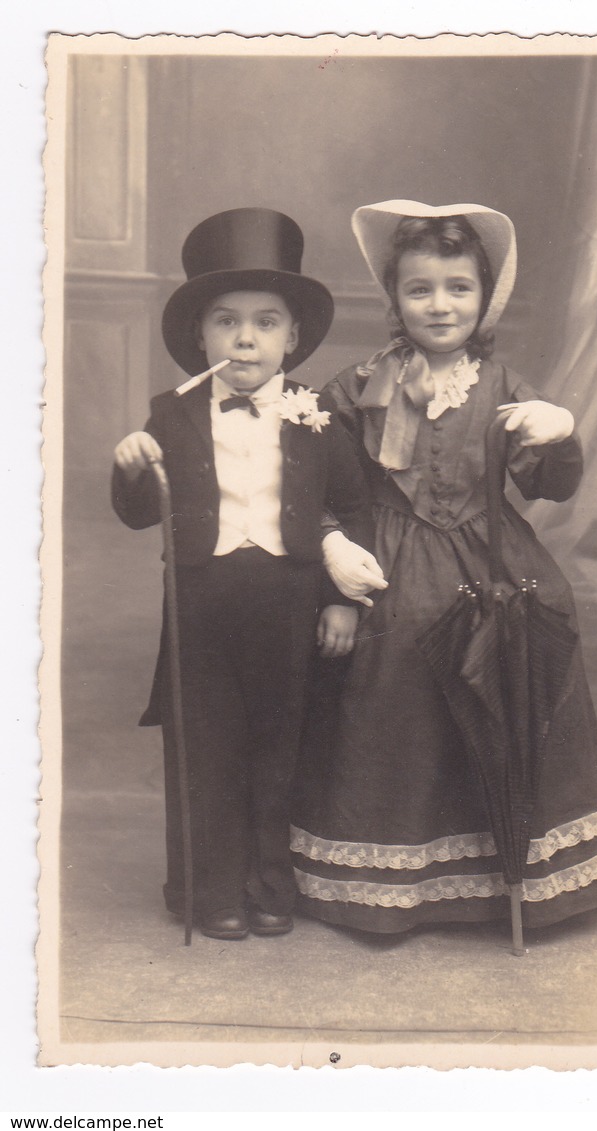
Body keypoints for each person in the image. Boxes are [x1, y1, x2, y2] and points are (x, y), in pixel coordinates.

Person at [292, 200, 597, 935]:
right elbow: (313, 484)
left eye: (457, 288)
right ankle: (391, 875)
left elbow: (547, 484)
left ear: (485, 297)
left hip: (490, 560)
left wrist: (558, 435)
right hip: (385, 561)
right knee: (394, 662)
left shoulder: (504, 384)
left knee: (514, 656)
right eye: (419, 289)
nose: (439, 305)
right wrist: (328, 546)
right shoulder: (352, 388)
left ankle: (497, 871)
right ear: (393, 298)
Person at [112, 207, 374, 941]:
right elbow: (139, 511)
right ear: (200, 335)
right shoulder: (172, 412)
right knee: (206, 750)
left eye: (265, 322)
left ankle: (269, 884)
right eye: (226, 321)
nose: (246, 338)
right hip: (201, 603)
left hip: (289, 603)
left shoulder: (316, 415)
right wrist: (131, 466)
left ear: (294, 337)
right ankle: (209, 889)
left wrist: (341, 603)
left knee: (277, 749)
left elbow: (349, 509)